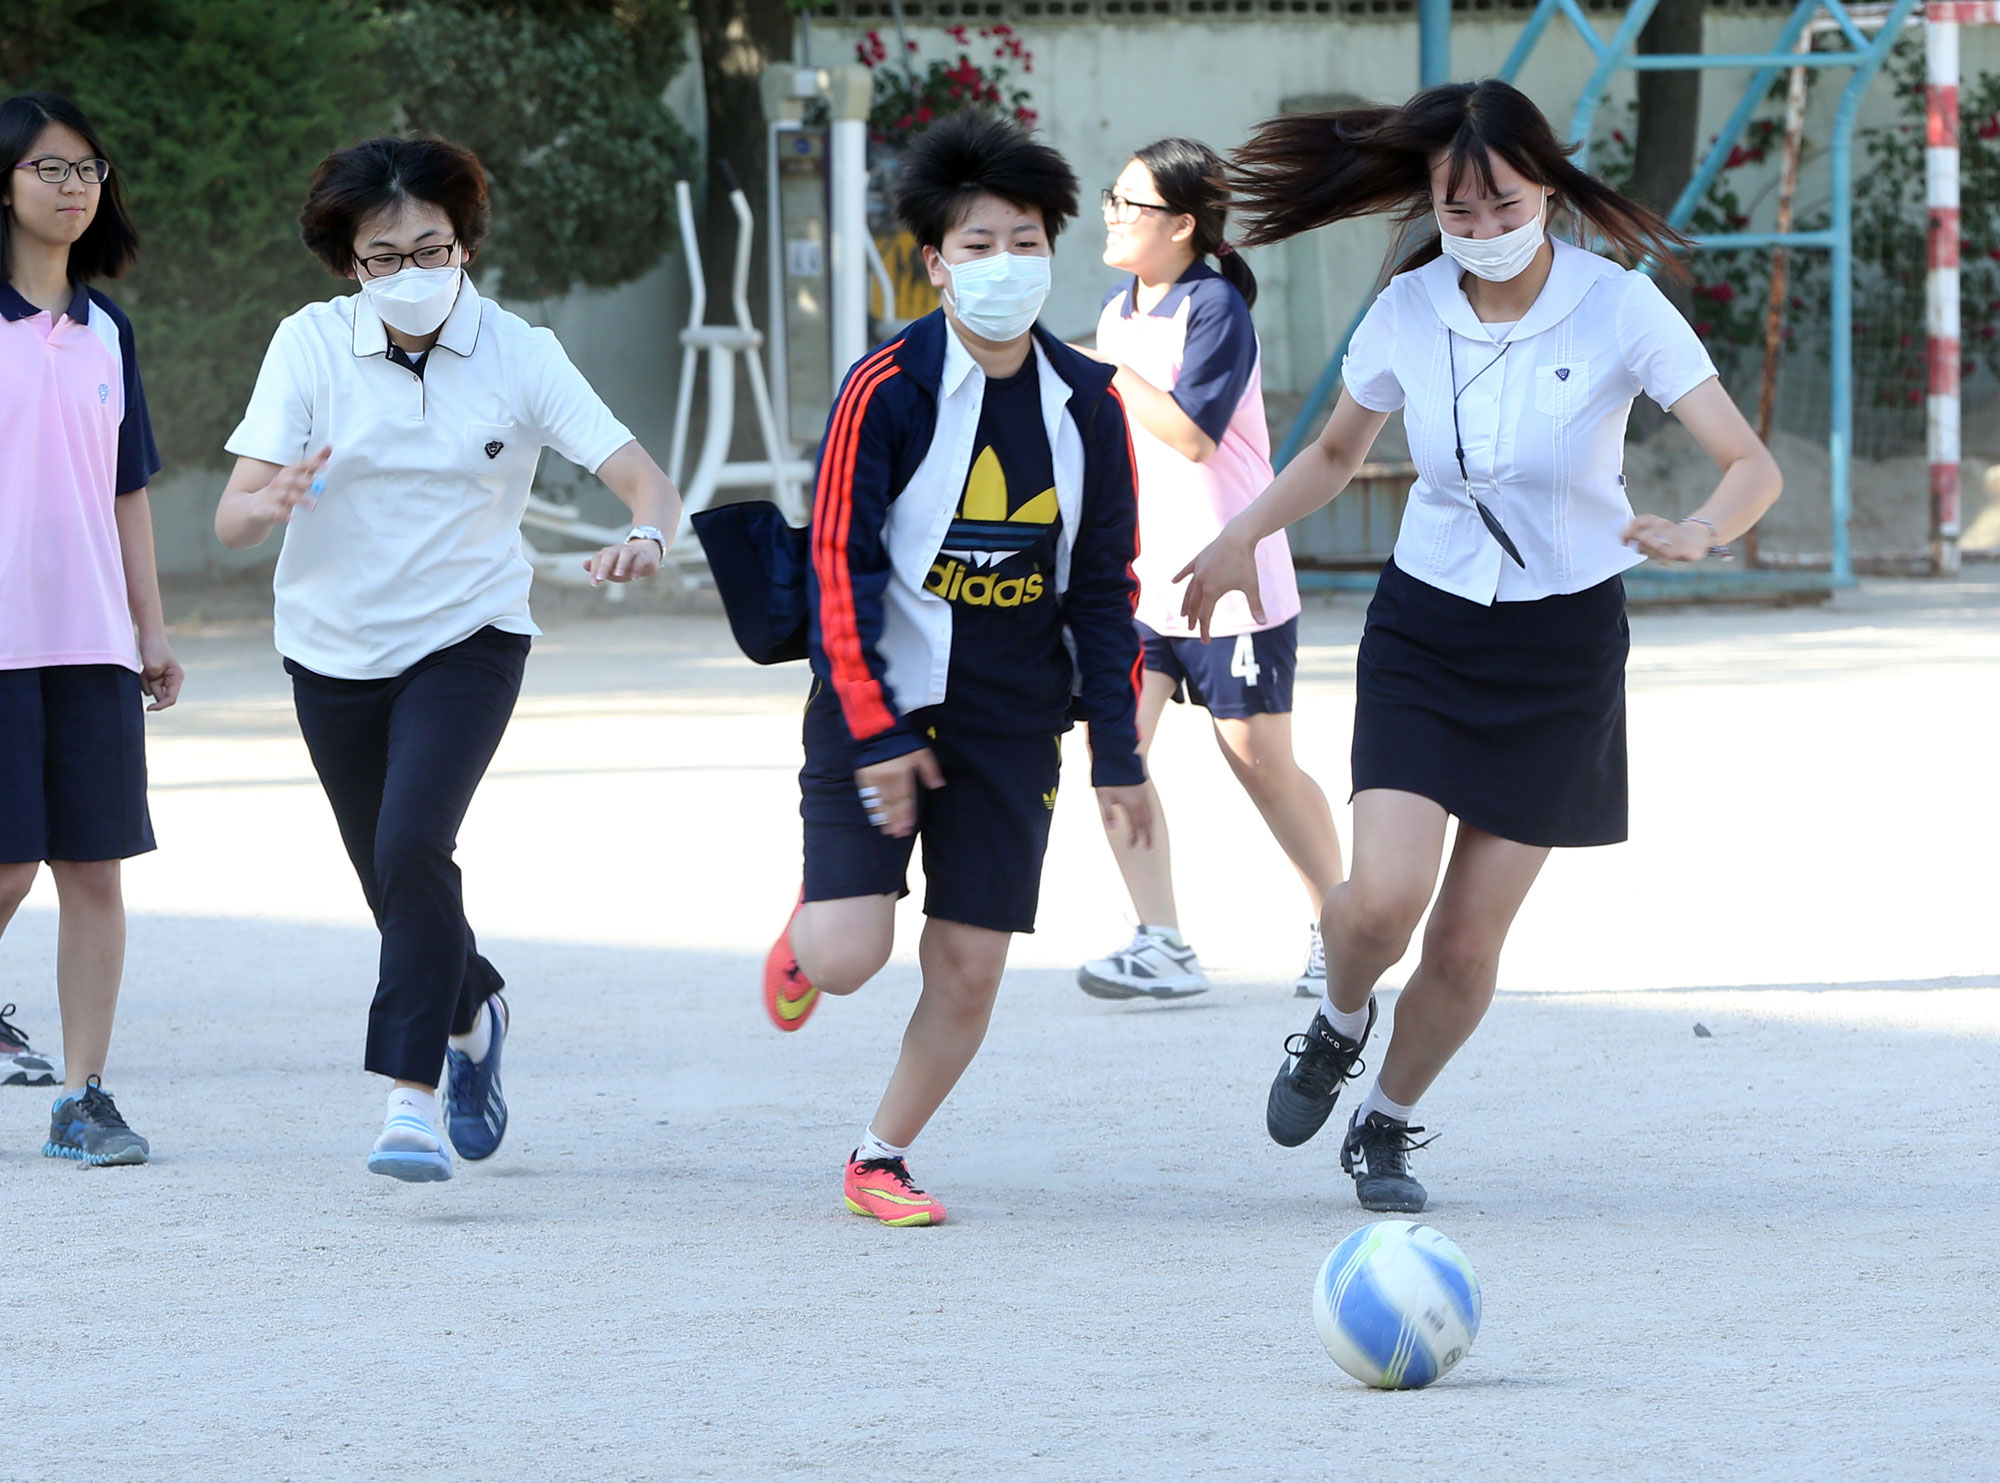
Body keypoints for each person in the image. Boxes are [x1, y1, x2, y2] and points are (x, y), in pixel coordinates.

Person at [1178, 81, 1781, 1213]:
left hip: (1561, 645)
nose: (1486, 233)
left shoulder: (1618, 308)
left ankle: (1387, 1123)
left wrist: (1701, 526)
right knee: (1377, 902)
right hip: (1428, 626)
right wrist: (1237, 537)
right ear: (1432, 210)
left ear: (1545, 187)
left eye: (1504, 208)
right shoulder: (1408, 309)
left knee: (1461, 945)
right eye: (1460, 215)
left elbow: (1748, 464)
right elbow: (1333, 454)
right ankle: (1338, 1020)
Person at [216, 134, 680, 1183]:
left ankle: (409, 1098)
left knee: (415, 840)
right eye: (386, 257)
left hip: (467, 636)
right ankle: (475, 1006)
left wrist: (643, 538)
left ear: (465, 245)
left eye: (434, 248)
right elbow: (235, 517)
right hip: (330, 649)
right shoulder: (308, 344)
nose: (414, 274)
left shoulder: (521, 351)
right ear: (349, 266)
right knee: (392, 878)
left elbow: (646, 483)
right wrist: (271, 498)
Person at [759, 111, 1151, 1226]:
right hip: (873, 700)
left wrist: (1119, 755)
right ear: (933, 263)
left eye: (1022, 241)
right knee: (843, 957)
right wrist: (876, 729)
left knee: (969, 963)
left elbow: (1103, 586)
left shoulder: (1087, 402)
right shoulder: (884, 387)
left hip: (1011, 717)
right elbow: (838, 565)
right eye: (975, 245)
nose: (1001, 265)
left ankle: (878, 1155)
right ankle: (809, 926)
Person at [1074, 138, 1342, 1003]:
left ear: (1185, 225)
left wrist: (1101, 370)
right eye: (1111, 199)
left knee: (1261, 767)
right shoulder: (1120, 309)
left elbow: (1192, 432)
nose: (1113, 215)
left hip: (1230, 575)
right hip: (1140, 583)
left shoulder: (1216, 307)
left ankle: (1340, 929)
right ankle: (1161, 942)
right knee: (1117, 750)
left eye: (1133, 205)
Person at [0, 92, 180, 1166]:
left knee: (94, 872)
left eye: (87, 169)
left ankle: (83, 1095)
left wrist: (150, 628)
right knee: (8, 869)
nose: (73, 187)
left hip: (91, 640)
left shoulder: (109, 329)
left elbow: (127, 492)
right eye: (47, 168)